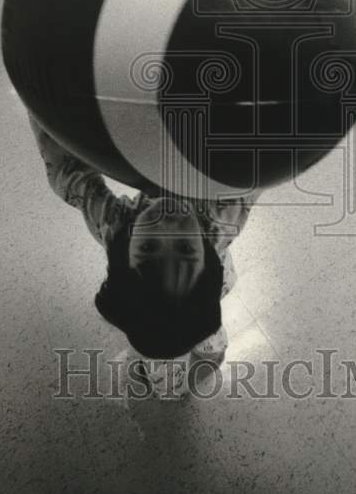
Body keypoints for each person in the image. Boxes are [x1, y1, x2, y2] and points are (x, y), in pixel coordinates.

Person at [30, 115, 258, 397]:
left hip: (172, 326)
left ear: (125, 256)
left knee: (163, 364)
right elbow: (253, 173)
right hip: (207, 302)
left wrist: (43, 114)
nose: (168, 225)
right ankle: (208, 354)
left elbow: (69, 173)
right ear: (206, 256)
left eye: (149, 247)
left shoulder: (114, 226)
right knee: (207, 333)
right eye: (186, 248)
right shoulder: (216, 227)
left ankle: (170, 388)